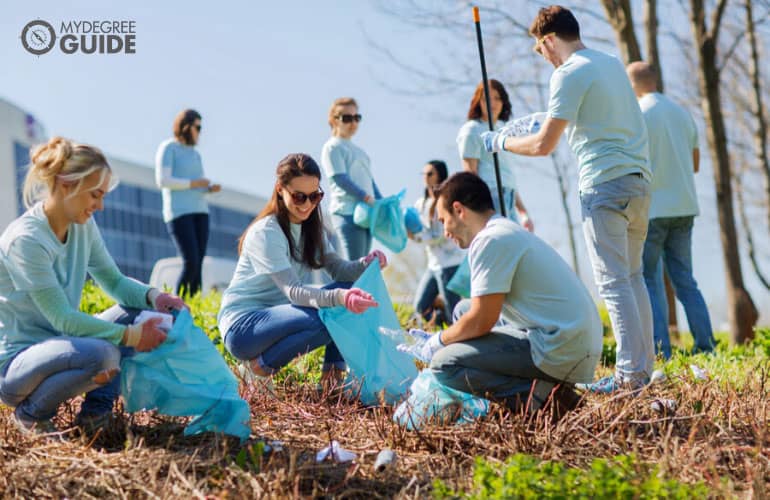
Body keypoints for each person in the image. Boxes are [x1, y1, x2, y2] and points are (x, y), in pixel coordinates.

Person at [481, 6, 653, 393]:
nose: (542, 58)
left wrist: (501, 142)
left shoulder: (567, 73)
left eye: (539, 50)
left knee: (613, 282)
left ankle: (628, 378)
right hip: (639, 181)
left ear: (549, 40)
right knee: (634, 277)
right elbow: (594, 115)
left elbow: (543, 146)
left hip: (604, 185)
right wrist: (547, 115)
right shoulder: (608, 62)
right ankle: (643, 370)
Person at [0, 137, 186, 434]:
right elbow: (62, 317)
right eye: (94, 195)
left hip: (65, 343)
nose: (99, 206)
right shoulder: (26, 240)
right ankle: (32, 415)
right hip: (18, 366)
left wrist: (156, 297)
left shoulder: (83, 226)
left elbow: (113, 281)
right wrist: (132, 336)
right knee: (103, 355)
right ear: (65, 184)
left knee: (144, 313)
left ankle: (94, 418)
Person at [401, 172, 601, 414]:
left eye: (443, 220)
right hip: (571, 338)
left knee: (445, 364)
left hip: (561, 347)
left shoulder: (490, 240)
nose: (445, 232)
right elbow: (475, 313)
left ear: (459, 210)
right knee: (462, 309)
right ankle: (539, 387)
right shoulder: (503, 230)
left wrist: (438, 341)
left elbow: (481, 321)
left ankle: (544, 399)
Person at [218, 153, 386, 386]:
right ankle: (257, 368)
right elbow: (294, 292)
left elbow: (339, 271)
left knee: (344, 298)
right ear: (280, 189)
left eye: (315, 196)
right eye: (299, 197)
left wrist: (365, 264)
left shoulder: (311, 230)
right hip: (243, 328)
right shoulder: (267, 232)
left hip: (281, 318)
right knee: (332, 312)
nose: (307, 205)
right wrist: (340, 298)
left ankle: (332, 381)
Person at [626, 61, 715, 359]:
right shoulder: (682, 113)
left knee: (650, 279)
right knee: (685, 280)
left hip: (652, 209)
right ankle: (706, 347)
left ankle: (661, 351)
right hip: (685, 207)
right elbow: (696, 164)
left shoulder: (637, 115)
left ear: (634, 84)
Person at [155, 109, 222, 297]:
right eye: (198, 127)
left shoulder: (195, 154)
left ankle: (194, 308)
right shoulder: (169, 148)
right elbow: (163, 180)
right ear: (186, 126)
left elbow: (197, 184)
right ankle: (178, 306)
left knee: (198, 262)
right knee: (190, 261)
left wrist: (208, 188)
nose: (200, 132)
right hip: (179, 213)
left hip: (200, 211)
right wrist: (194, 183)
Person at [457, 80, 533, 229]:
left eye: (497, 98)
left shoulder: (503, 130)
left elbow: (507, 176)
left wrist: (523, 211)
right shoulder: (472, 130)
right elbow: (470, 174)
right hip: (490, 196)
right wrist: (480, 207)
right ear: (478, 102)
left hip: (508, 196)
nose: (493, 103)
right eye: (486, 98)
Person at [321, 97, 383, 260]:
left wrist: (381, 201)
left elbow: (369, 181)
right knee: (355, 266)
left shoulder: (360, 151)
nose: (353, 122)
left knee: (363, 266)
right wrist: (365, 196)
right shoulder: (332, 147)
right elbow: (340, 179)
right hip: (346, 212)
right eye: (347, 118)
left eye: (357, 118)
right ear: (334, 120)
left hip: (366, 213)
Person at [410, 160, 465, 325]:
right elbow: (418, 229)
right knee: (420, 306)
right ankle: (442, 323)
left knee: (453, 309)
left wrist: (419, 238)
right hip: (433, 265)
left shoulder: (447, 200)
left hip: (450, 263)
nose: (426, 177)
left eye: (430, 174)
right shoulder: (420, 204)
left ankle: (460, 339)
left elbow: (444, 233)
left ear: (440, 175)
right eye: (423, 174)